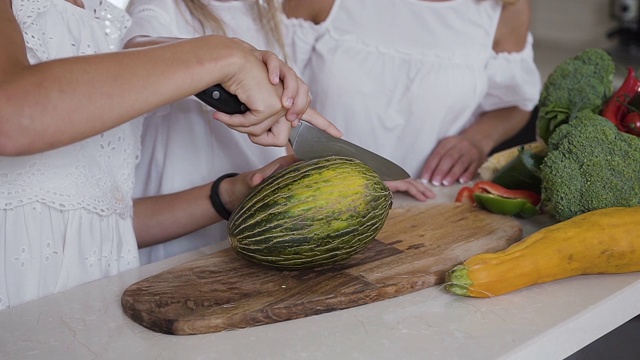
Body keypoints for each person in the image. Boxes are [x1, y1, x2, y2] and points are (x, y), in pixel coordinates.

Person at [0, 0, 339, 309]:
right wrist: (226, 56)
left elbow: (105, 217)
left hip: (96, 307)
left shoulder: (101, 17)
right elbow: (10, 115)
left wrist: (231, 194)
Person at [283, 0, 542, 198]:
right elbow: (262, 96)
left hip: (428, 207)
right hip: (312, 195)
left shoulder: (505, 8)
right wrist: (324, 182)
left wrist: (477, 140)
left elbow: (516, 101)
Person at [121, 0, 299, 265]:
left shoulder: (268, 18)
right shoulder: (162, 6)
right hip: (173, 250)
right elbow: (133, 52)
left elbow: (281, 133)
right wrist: (229, 59)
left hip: (247, 241)